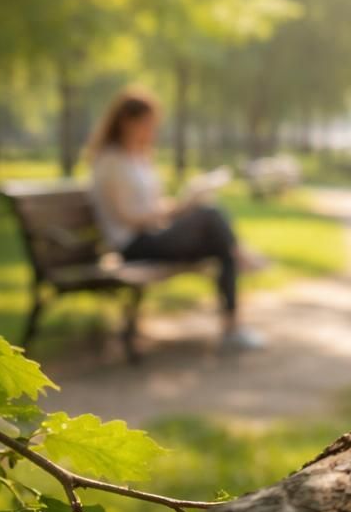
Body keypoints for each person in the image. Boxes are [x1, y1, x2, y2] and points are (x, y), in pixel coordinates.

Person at [87, 87, 265, 352]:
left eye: (153, 125)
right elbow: (129, 217)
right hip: (132, 245)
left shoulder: (139, 158)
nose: (151, 131)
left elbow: (153, 207)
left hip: (152, 236)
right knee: (210, 215)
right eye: (146, 124)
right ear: (126, 121)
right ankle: (241, 253)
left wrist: (183, 203)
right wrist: (179, 209)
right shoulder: (111, 162)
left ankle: (232, 327)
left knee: (219, 242)